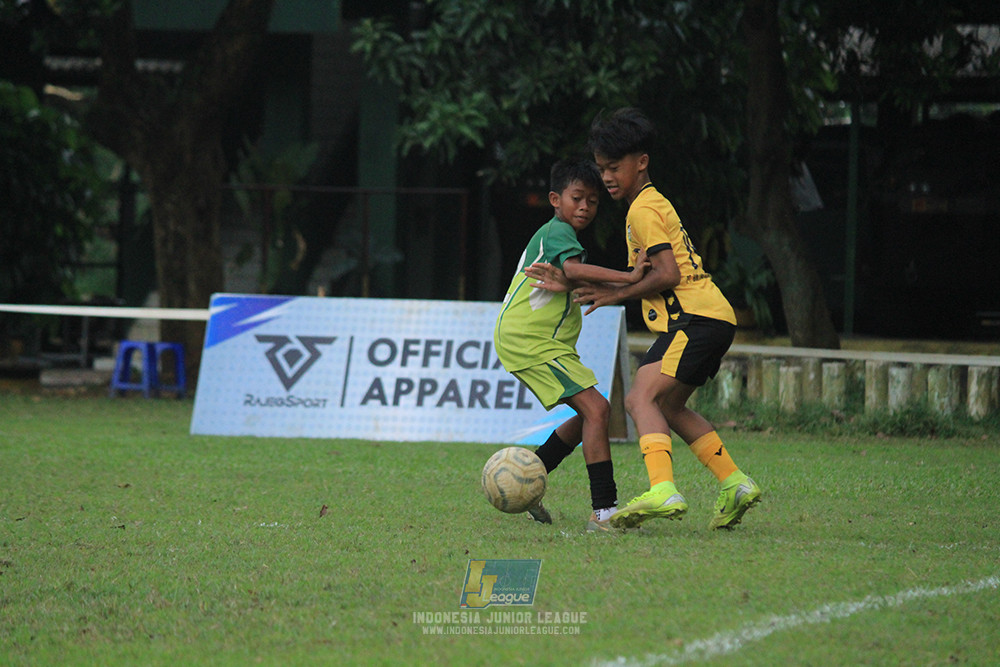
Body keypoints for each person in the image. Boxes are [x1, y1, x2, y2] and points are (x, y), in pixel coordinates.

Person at [526, 108, 761, 530]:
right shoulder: (650, 204)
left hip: (693, 319)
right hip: (709, 318)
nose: (607, 177)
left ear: (642, 162)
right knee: (669, 406)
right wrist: (602, 288)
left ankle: (663, 489)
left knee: (638, 400)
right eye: (602, 168)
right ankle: (735, 482)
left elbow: (667, 274)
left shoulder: (643, 209)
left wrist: (614, 293)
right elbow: (655, 273)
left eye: (614, 167)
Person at [494, 158, 648, 533]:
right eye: (577, 198)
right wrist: (630, 276)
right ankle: (604, 512)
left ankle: (527, 479)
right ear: (555, 200)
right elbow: (576, 272)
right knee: (597, 409)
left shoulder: (561, 238)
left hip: (541, 342)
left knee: (588, 415)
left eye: (592, 201)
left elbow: (575, 279)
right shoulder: (558, 232)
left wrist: (622, 285)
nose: (584, 207)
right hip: (531, 340)